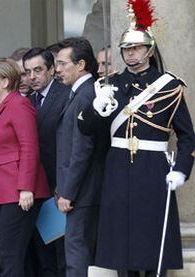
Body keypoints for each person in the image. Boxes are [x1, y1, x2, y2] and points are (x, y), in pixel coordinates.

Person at [78, 1, 195, 276]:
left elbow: (188, 137)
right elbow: (85, 128)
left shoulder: (169, 87)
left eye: (136, 48)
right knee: (121, 239)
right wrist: (96, 108)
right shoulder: (110, 85)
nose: (130, 54)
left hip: (153, 167)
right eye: (126, 49)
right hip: (118, 166)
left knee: (152, 233)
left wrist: (180, 171)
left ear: (149, 50)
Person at [0, 58, 49, 277]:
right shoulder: (1, 107)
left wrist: (26, 187)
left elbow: (29, 147)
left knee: (8, 253)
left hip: (17, 192)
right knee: (10, 253)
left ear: (5, 81)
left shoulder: (19, 104)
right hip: (4, 193)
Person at [54, 37, 106, 277]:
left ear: (81, 64)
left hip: (82, 193)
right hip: (83, 190)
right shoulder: (81, 92)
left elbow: (81, 150)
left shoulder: (85, 95)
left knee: (77, 255)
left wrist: (68, 192)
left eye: (63, 64)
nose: (58, 69)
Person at [23, 47, 69, 277]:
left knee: (63, 256)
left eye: (38, 70)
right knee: (43, 258)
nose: (32, 76)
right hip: (35, 190)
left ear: (51, 70)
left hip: (60, 188)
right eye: (28, 71)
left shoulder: (67, 95)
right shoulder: (27, 102)